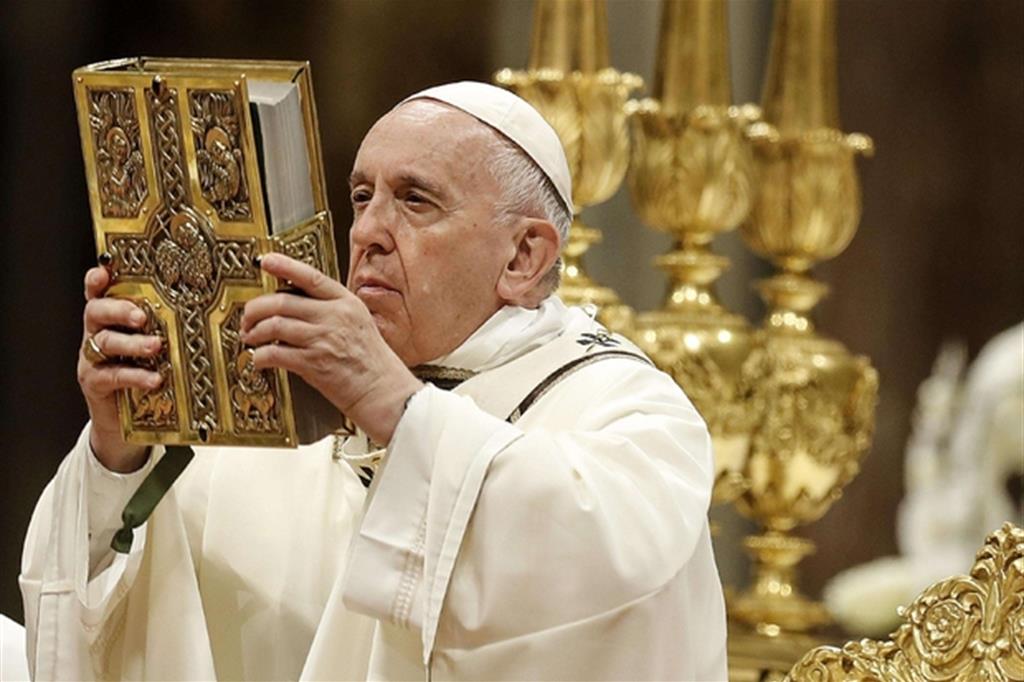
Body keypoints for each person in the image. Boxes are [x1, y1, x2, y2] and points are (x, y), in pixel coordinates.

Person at [20, 81, 727, 681]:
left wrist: (394, 404)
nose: (368, 233)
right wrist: (119, 451)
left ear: (523, 256)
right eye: (362, 197)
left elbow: (605, 560)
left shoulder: (623, 407)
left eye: (416, 201)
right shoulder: (278, 456)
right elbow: (106, 608)